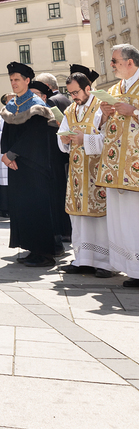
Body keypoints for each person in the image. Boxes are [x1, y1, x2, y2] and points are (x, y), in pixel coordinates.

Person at [0, 62, 57, 267]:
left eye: (17, 79)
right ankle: (32, 249)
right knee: (23, 207)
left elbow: (34, 135)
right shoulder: (12, 105)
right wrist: (6, 154)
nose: (13, 83)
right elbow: (7, 133)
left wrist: (12, 153)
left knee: (37, 207)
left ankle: (45, 253)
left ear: (27, 81)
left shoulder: (36, 105)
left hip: (34, 164)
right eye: (11, 80)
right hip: (17, 164)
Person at [58, 68, 113, 277]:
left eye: (76, 92)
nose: (73, 96)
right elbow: (63, 141)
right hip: (76, 172)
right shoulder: (70, 110)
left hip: (96, 172)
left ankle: (104, 263)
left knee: (99, 218)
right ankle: (82, 260)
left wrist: (84, 139)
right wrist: (64, 139)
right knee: (78, 217)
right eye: (70, 93)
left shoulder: (101, 107)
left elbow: (109, 139)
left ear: (88, 88)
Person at [95, 43, 139, 287]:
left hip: (135, 166)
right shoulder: (113, 89)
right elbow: (99, 126)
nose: (111, 65)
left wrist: (133, 111)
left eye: (114, 61)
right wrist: (104, 114)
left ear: (129, 62)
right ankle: (131, 268)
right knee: (122, 220)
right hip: (115, 167)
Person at [34, 72, 72, 249]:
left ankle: (60, 231)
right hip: (65, 154)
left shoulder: (50, 101)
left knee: (56, 194)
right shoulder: (65, 99)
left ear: (46, 87)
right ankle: (67, 230)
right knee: (64, 192)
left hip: (54, 153)